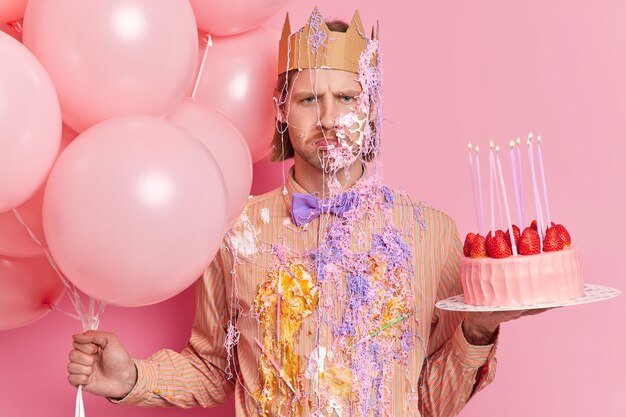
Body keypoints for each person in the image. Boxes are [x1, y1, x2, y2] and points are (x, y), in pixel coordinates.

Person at [68, 7, 543, 417]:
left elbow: (432, 403)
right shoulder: (236, 231)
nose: (329, 118)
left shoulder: (432, 234)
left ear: (371, 107)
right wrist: (133, 376)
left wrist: (479, 329)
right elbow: (215, 367)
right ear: (281, 111)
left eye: (347, 98)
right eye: (309, 99)